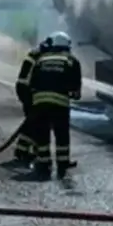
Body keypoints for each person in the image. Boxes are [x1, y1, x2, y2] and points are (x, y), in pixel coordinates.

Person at [26, 31, 82, 179]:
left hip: (39, 103)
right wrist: (73, 93)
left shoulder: (41, 59)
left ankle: (44, 165)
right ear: (66, 46)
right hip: (59, 104)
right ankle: (63, 164)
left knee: (42, 134)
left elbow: (32, 82)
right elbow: (76, 89)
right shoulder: (71, 60)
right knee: (61, 134)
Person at [12, 40, 51, 165]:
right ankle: (35, 153)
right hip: (28, 92)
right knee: (38, 123)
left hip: (24, 89)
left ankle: (21, 150)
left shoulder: (36, 54)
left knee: (31, 122)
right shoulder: (41, 58)